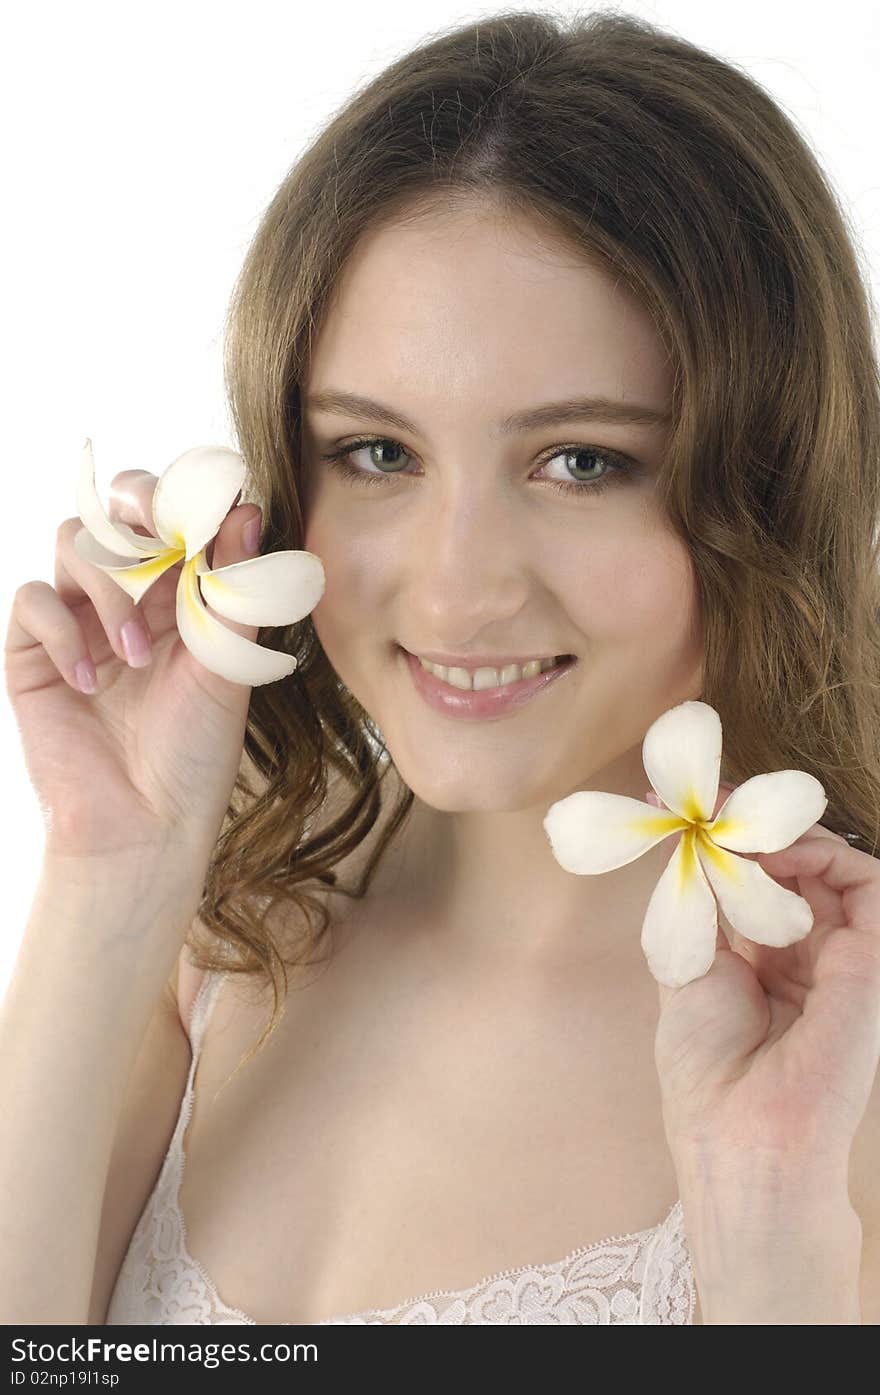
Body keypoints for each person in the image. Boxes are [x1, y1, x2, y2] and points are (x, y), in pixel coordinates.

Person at [3, 9, 879, 1327]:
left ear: (770, 478)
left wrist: (769, 1227)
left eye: (582, 461)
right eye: (378, 454)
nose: (458, 587)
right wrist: (109, 871)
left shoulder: (836, 1045)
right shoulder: (231, 920)